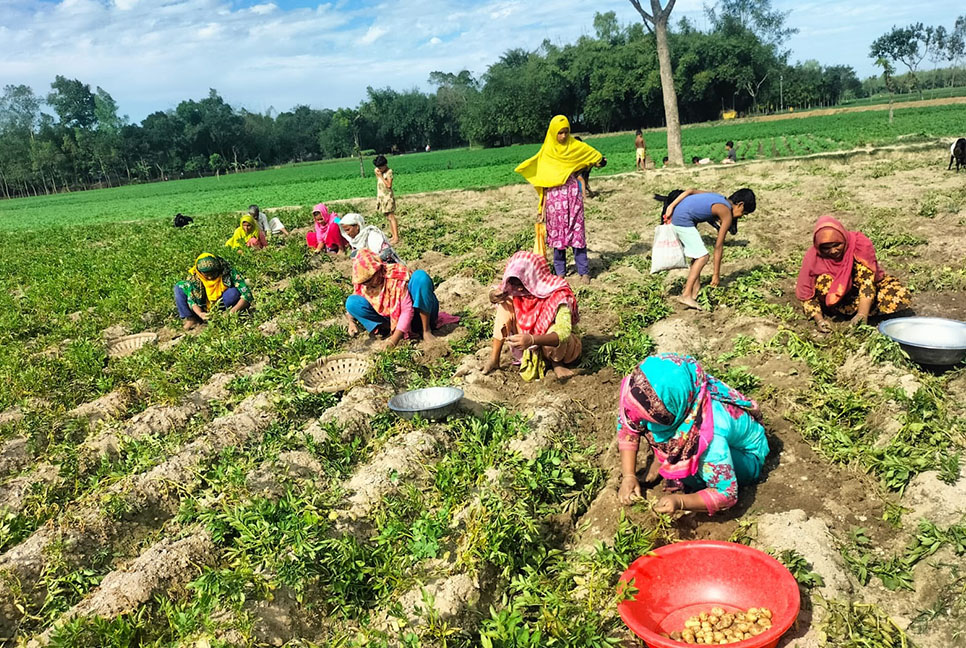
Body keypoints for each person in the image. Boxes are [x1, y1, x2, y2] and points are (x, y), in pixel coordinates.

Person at [616, 353, 769, 515]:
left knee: (693, 472)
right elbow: (628, 423)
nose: (636, 417)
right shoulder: (648, 386)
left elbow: (727, 494)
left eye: (650, 416)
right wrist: (628, 476)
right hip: (703, 432)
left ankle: (675, 465)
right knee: (645, 420)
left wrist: (680, 501)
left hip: (747, 457)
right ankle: (664, 457)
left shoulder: (708, 437)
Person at [515, 115, 604, 283]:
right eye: (560, 133)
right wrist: (541, 207)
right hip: (554, 202)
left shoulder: (574, 146)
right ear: (553, 133)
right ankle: (560, 272)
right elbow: (542, 182)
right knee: (558, 238)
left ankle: (584, 271)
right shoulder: (547, 152)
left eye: (566, 132)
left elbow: (592, 155)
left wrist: (599, 161)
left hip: (573, 197)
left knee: (578, 235)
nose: (563, 136)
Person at [796, 215, 911, 333]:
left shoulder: (859, 245)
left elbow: (867, 281)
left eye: (837, 245)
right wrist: (820, 320)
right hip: (838, 300)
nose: (833, 251)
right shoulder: (813, 258)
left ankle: (864, 311)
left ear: (843, 239)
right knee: (823, 281)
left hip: (865, 293)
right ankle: (844, 311)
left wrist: (862, 314)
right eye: (826, 248)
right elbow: (807, 294)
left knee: (897, 295)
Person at [483, 251, 582, 381]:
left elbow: (563, 333)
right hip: (530, 346)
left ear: (532, 279)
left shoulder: (558, 294)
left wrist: (532, 340)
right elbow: (498, 291)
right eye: (513, 284)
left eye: (520, 284)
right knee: (505, 304)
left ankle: (557, 364)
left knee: (554, 330)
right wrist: (493, 296)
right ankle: (494, 359)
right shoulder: (513, 289)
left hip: (561, 349)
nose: (517, 289)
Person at [661, 188, 757, 310]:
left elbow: (691, 190)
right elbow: (718, 246)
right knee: (703, 256)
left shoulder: (719, 197)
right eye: (744, 213)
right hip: (683, 219)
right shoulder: (726, 212)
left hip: (678, 213)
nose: (742, 217)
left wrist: (671, 206)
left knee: (697, 254)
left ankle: (695, 291)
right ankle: (686, 294)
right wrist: (716, 275)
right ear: (740, 205)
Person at [344, 249, 457, 349]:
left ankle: (426, 330)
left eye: (369, 281)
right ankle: (395, 329)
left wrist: (394, 340)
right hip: (392, 320)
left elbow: (407, 310)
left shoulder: (395, 276)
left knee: (420, 278)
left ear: (377, 270)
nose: (366, 285)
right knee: (352, 302)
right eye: (364, 282)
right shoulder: (363, 284)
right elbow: (351, 308)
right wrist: (351, 322)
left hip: (418, 315)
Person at [174, 253, 252, 330]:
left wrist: (231, 312)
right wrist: (201, 314)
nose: (210, 277)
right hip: (204, 307)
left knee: (233, 293)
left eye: (213, 273)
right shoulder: (195, 279)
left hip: (224, 304)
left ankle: (226, 314)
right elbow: (192, 300)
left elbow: (247, 294)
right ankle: (192, 320)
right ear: (200, 272)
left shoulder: (229, 273)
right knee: (180, 286)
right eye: (206, 274)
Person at [373, 155, 400, 245]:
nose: (379, 169)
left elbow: (389, 185)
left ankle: (396, 237)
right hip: (381, 197)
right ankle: (393, 236)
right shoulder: (378, 171)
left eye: (381, 167)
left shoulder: (389, 172)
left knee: (391, 217)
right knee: (388, 217)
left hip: (388, 197)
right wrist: (379, 174)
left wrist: (381, 177)